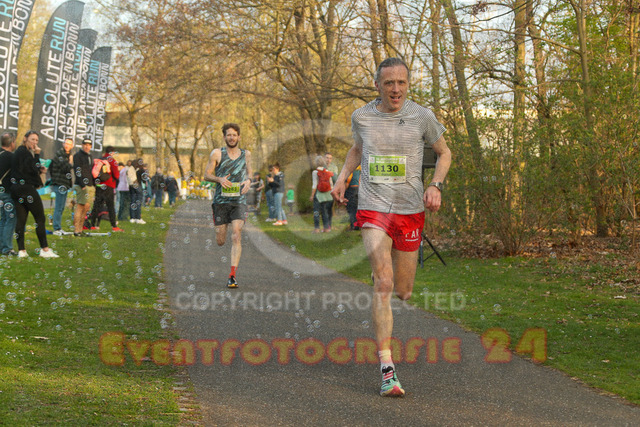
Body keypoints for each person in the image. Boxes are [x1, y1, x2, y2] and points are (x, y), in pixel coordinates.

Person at [331, 57, 452, 397]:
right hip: (373, 207)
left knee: (403, 291)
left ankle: (383, 275)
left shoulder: (422, 116)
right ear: (377, 85)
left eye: (401, 82)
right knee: (384, 283)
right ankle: (387, 371)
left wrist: (435, 185)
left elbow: (444, 153)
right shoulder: (362, 116)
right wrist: (342, 177)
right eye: (389, 83)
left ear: (408, 84)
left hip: (409, 210)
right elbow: (357, 149)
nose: (395, 89)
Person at [204, 123, 252, 288]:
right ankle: (219, 231)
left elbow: (250, 172)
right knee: (220, 240)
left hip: (239, 201)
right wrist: (219, 179)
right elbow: (206, 175)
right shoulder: (217, 153)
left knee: (236, 234)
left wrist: (248, 181)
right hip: (221, 202)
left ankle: (232, 275)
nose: (232, 138)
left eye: (234, 135)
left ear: (239, 137)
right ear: (224, 137)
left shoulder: (246, 154)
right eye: (229, 135)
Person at [9, 130, 59, 258]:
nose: (35, 143)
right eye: (32, 139)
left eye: (37, 140)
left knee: (21, 220)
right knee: (40, 218)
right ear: (25, 139)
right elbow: (33, 168)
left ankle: (22, 251)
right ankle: (45, 249)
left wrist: (38, 169)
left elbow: (28, 169)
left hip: (16, 189)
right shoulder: (24, 152)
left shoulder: (20, 152)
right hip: (26, 189)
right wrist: (37, 155)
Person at [89, 146, 123, 232]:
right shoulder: (112, 161)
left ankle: (92, 225)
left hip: (99, 186)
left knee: (96, 205)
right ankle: (114, 226)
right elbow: (116, 175)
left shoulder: (99, 160)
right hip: (108, 186)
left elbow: (93, 173)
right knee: (110, 206)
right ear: (112, 152)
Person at [49, 137, 74, 235]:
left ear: (72, 146)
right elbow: (65, 168)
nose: (67, 146)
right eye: (66, 143)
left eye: (69, 144)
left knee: (61, 207)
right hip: (59, 183)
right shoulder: (59, 154)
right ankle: (56, 228)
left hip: (64, 184)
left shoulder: (67, 155)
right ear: (63, 144)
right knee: (59, 206)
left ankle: (58, 227)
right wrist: (70, 162)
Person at [72, 138, 94, 237]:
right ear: (82, 145)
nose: (86, 146)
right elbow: (77, 170)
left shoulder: (89, 156)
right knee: (80, 206)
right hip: (81, 185)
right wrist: (82, 184)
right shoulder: (77, 156)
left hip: (89, 184)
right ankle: (76, 230)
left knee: (86, 208)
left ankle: (80, 230)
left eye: (88, 145)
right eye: (85, 144)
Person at [0, 132, 17, 255]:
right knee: (10, 219)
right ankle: (7, 248)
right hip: (7, 191)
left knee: (3, 219)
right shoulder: (11, 157)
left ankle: (2, 246)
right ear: (12, 143)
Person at [310, 155, 333, 233]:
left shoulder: (315, 172)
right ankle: (326, 228)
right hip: (326, 194)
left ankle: (317, 228)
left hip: (318, 193)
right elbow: (331, 184)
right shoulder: (327, 172)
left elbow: (314, 185)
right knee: (324, 211)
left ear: (316, 163)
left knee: (316, 211)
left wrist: (312, 195)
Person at [128, 159, 146, 224]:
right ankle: (138, 218)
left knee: (132, 202)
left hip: (131, 186)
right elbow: (144, 179)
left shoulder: (132, 169)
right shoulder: (141, 170)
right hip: (138, 186)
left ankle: (132, 218)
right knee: (138, 202)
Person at [345, 165, 361, 230]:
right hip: (358, 189)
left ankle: (353, 226)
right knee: (356, 208)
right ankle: (357, 225)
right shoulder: (360, 169)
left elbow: (348, 180)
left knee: (351, 208)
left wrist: (343, 190)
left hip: (351, 189)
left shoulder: (351, 169)